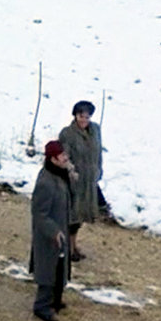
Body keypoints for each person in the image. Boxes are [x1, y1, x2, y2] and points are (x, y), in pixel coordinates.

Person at [29, 140, 72, 321]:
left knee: (59, 267)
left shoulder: (59, 175)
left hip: (60, 232)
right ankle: (42, 306)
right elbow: (39, 213)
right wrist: (53, 231)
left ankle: (55, 300)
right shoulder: (46, 182)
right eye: (63, 156)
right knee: (48, 270)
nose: (66, 158)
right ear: (53, 159)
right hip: (49, 236)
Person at [58, 100, 102, 262]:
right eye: (80, 116)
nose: (84, 120)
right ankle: (68, 248)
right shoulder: (68, 133)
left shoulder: (95, 130)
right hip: (74, 181)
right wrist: (70, 173)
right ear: (75, 115)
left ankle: (73, 245)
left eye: (87, 116)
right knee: (72, 216)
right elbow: (64, 157)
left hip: (89, 181)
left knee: (81, 216)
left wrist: (98, 170)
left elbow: (98, 153)